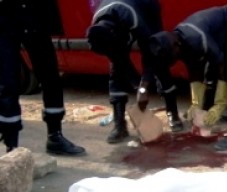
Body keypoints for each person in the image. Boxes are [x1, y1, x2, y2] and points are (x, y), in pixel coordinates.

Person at [148, 4, 227, 150]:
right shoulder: (178, 42)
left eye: (172, 58)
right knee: (214, 70)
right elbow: (194, 69)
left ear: (176, 45)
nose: (174, 61)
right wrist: (196, 103)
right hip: (223, 34)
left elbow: (221, 66)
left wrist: (220, 104)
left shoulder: (196, 38)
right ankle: (217, 110)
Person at [86, 0, 184, 144]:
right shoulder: (98, 28)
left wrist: (144, 86)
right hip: (120, 23)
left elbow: (149, 52)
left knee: (158, 56)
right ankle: (119, 126)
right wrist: (136, 86)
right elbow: (118, 58)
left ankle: (173, 113)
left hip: (146, 8)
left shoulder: (132, 18)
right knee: (116, 68)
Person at [0, 0, 86, 155]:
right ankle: (11, 146)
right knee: (8, 83)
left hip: (35, 16)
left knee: (51, 77)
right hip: (4, 19)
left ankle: (55, 137)